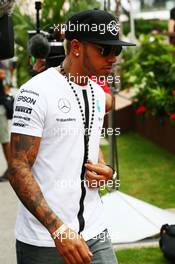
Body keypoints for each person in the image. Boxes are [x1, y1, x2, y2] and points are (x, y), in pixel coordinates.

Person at [9, 9, 135, 264]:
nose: (113, 58)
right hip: (44, 241)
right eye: (105, 50)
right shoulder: (35, 92)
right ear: (76, 46)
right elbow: (18, 168)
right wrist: (57, 230)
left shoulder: (98, 94)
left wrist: (105, 170)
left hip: (95, 233)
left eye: (117, 51)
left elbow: (90, 147)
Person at [0, 69, 11, 182]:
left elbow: (7, 87)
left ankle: (11, 169)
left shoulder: (2, 70)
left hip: (0, 108)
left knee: (4, 140)